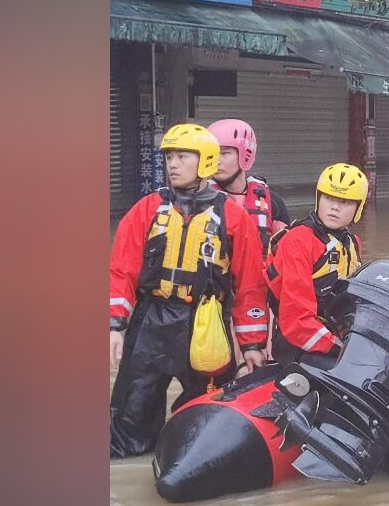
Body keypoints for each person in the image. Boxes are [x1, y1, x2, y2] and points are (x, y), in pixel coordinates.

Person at [109, 124, 269, 458]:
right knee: (129, 418)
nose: (173, 164)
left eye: (183, 156)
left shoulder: (234, 218)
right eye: (169, 156)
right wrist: (115, 325)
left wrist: (252, 344)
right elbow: (121, 270)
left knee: (207, 418)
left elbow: (250, 285)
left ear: (206, 161)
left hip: (205, 322)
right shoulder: (147, 210)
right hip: (150, 321)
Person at [265, 163, 367, 364]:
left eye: (345, 202)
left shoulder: (352, 243)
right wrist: (341, 349)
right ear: (318, 199)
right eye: (329, 198)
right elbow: (297, 322)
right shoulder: (298, 241)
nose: (335, 207)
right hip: (298, 346)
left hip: (332, 336)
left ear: (358, 208)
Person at [206, 118, 291, 252]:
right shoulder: (200, 201)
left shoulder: (273, 202)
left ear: (245, 155)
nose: (216, 161)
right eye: (212, 154)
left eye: (224, 153)